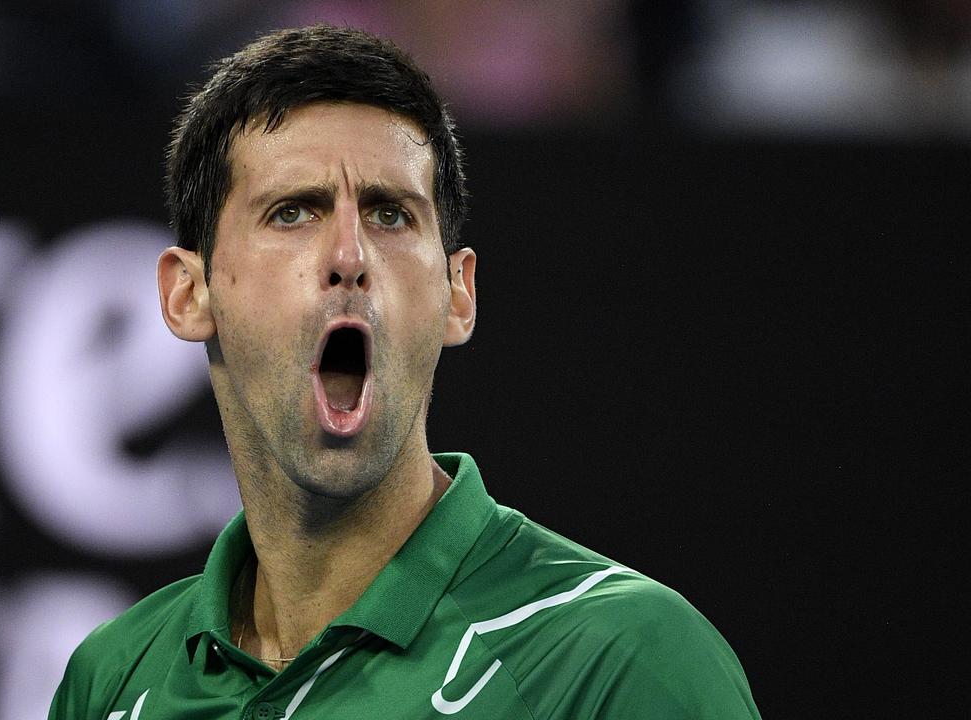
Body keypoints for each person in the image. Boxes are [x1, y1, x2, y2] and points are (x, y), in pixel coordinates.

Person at [49, 25, 760, 719]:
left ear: (458, 294)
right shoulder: (113, 680)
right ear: (189, 293)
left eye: (391, 215)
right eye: (293, 212)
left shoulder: (623, 662)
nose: (349, 255)